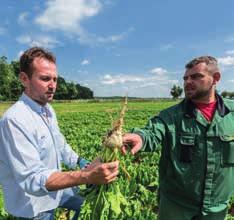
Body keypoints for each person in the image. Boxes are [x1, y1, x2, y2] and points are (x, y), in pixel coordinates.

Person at [0, 47, 119, 220]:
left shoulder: (47, 110)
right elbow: (33, 180)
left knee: (87, 203)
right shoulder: (15, 120)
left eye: (55, 79)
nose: (53, 85)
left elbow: (59, 143)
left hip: (56, 190)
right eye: (45, 79)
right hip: (33, 206)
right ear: (24, 79)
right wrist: (86, 176)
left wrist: (79, 161)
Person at [122, 56, 234, 220]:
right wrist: (140, 137)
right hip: (177, 207)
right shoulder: (171, 116)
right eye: (186, 78)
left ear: (215, 78)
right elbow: (152, 132)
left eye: (196, 76)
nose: (188, 82)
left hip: (217, 207)